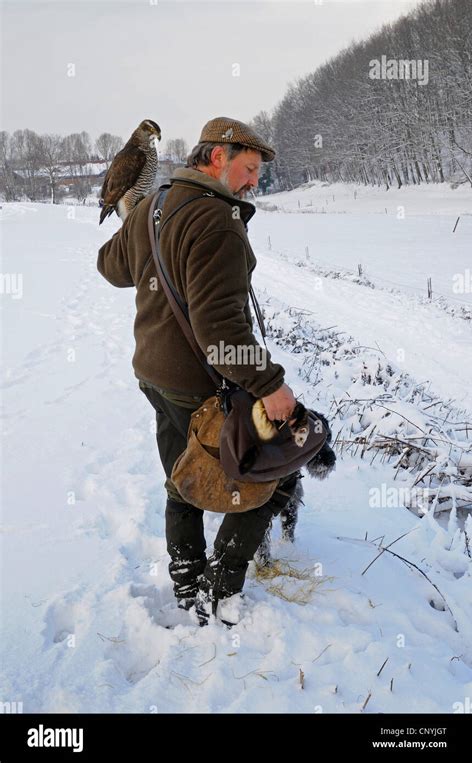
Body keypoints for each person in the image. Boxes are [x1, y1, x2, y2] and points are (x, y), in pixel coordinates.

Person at [97, 116, 301, 626]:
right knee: (269, 474)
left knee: (180, 477)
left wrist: (138, 222)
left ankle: (187, 584)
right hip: (200, 384)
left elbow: (110, 266)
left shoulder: (153, 204)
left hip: (153, 374)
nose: (255, 181)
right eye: (249, 169)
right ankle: (221, 586)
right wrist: (270, 386)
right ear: (217, 158)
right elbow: (221, 333)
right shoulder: (217, 221)